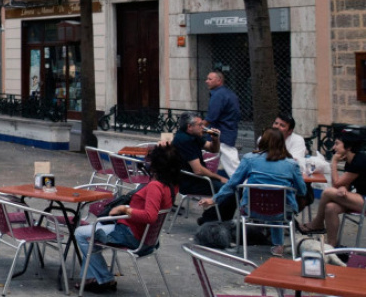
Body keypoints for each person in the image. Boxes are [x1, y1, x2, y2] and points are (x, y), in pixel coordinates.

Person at [74, 144, 183, 293]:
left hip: (131, 235)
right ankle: (94, 279)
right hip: (148, 239)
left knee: (80, 233)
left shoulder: (155, 186)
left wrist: (125, 209)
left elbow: (150, 216)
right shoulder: (172, 186)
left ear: (156, 164)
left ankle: (104, 278)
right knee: (92, 235)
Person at [200, 128, 306, 257]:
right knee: (279, 203)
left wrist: (214, 199)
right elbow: (302, 190)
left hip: (252, 209)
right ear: (282, 143)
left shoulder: (249, 159)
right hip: (281, 212)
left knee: (270, 202)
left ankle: (246, 247)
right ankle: (278, 245)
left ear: (262, 141)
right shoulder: (291, 164)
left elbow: (232, 184)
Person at [299, 133, 366, 247]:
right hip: (359, 198)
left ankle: (318, 223)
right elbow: (344, 185)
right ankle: (332, 246)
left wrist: (334, 162)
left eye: (337, 144)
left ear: (348, 147)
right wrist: (342, 188)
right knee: (330, 208)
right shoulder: (351, 161)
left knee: (328, 192)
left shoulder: (359, 160)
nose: (333, 147)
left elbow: (336, 184)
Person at [169, 111, 236, 225]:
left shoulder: (194, 135)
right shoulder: (185, 140)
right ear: (190, 127)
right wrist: (220, 178)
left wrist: (215, 139)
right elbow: (198, 170)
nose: (203, 127)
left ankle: (213, 218)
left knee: (232, 189)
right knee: (230, 190)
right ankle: (212, 219)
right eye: (200, 125)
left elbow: (213, 149)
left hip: (199, 179)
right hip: (190, 182)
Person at [203, 71, 241, 177]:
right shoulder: (228, 94)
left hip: (221, 135)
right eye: (207, 79)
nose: (207, 81)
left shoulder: (218, 95)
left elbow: (211, 117)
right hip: (228, 132)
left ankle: (244, 186)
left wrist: (200, 126)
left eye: (210, 79)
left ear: (219, 80)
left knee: (232, 165)